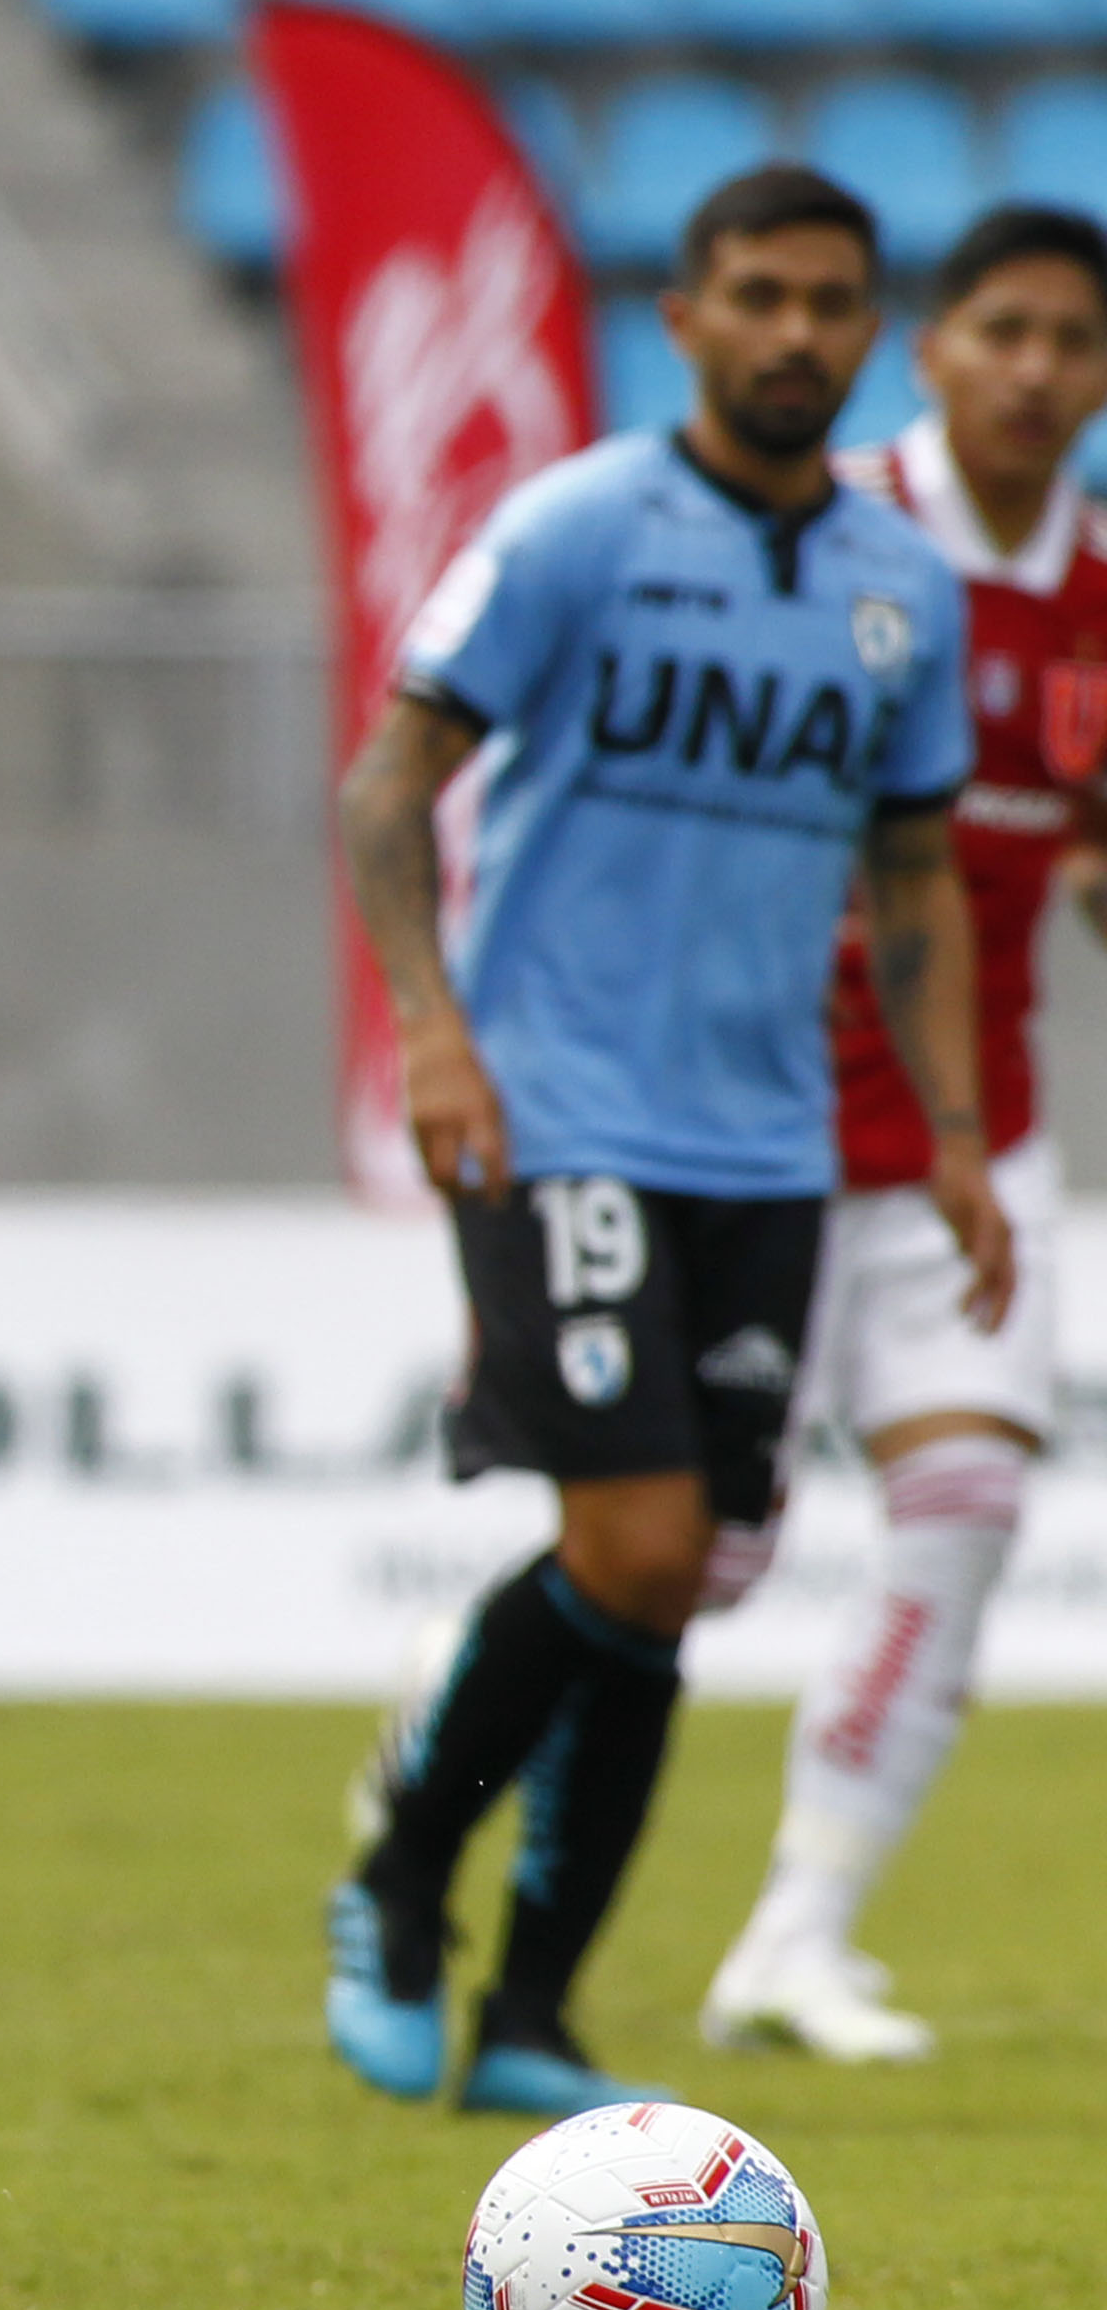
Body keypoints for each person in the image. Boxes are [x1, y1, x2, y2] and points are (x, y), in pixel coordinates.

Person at [325, 163, 995, 2118]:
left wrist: (951, 1133)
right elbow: (388, 786)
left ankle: (534, 2004)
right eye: (760, 295)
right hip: (562, 1108)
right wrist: (434, 1037)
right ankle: (397, 1871)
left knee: (678, 1571)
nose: (798, 333)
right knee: (634, 1538)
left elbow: (919, 878)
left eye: (832, 302)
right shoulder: (573, 532)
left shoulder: (902, 591)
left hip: (770, 1144)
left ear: (870, 332)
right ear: (687, 317)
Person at [697, 202, 1107, 2062]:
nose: (1037, 371)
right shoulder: (831, 539)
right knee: (693, 1557)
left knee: (963, 1510)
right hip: (750, 1128)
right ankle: (433, 1774)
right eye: (1004, 331)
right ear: (930, 349)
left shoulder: (1100, 590)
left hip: (973, 1140)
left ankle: (796, 1935)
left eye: (1073, 343)